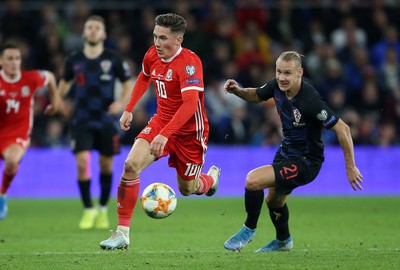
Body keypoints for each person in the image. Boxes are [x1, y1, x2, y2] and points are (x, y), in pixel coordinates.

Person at [100, 13, 221, 250]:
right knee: (130, 165)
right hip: (160, 122)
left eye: (163, 38)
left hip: (190, 132)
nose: (157, 43)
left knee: (187, 189)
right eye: (155, 36)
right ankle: (122, 233)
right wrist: (129, 109)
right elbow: (144, 77)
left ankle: (209, 180)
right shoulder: (152, 54)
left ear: (178, 40)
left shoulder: (189, 63)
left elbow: (189, 105)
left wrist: (165, 135)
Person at [223, 51, 363, 252]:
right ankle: (283, 241)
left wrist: (350, 167)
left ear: (300, 73)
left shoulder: (310, 101)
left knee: (253, 180)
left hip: (306, 161)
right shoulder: (277, 86)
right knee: (273, 200)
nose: (281, 77)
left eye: (287, 73)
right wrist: (238, 91)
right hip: (286, 152)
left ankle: (248, 229)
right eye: (279, 71)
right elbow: (256, 95)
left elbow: (343, 129)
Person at [58, 15, 133, 229]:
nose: (92, 31)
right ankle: (88, 209)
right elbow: (62, 85)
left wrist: (121, 103)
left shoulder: (113, 59)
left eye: (97, 28)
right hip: (81, 119)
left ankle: (102, 209)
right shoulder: (74, 60)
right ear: (83, 33)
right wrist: (58, 102)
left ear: (104, 34)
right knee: (82, 164)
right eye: (89, 27)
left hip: (106, 120)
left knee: (106, 165)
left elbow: (128, 83)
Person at [0, 42, 59, 220]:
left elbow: (50, 77)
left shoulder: (30, 78)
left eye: (17, 58)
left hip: (17, 133)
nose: (14, 62)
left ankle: (2, 195)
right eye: (10, 58)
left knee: (11, 161)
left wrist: (54, 102)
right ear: (1, 61)